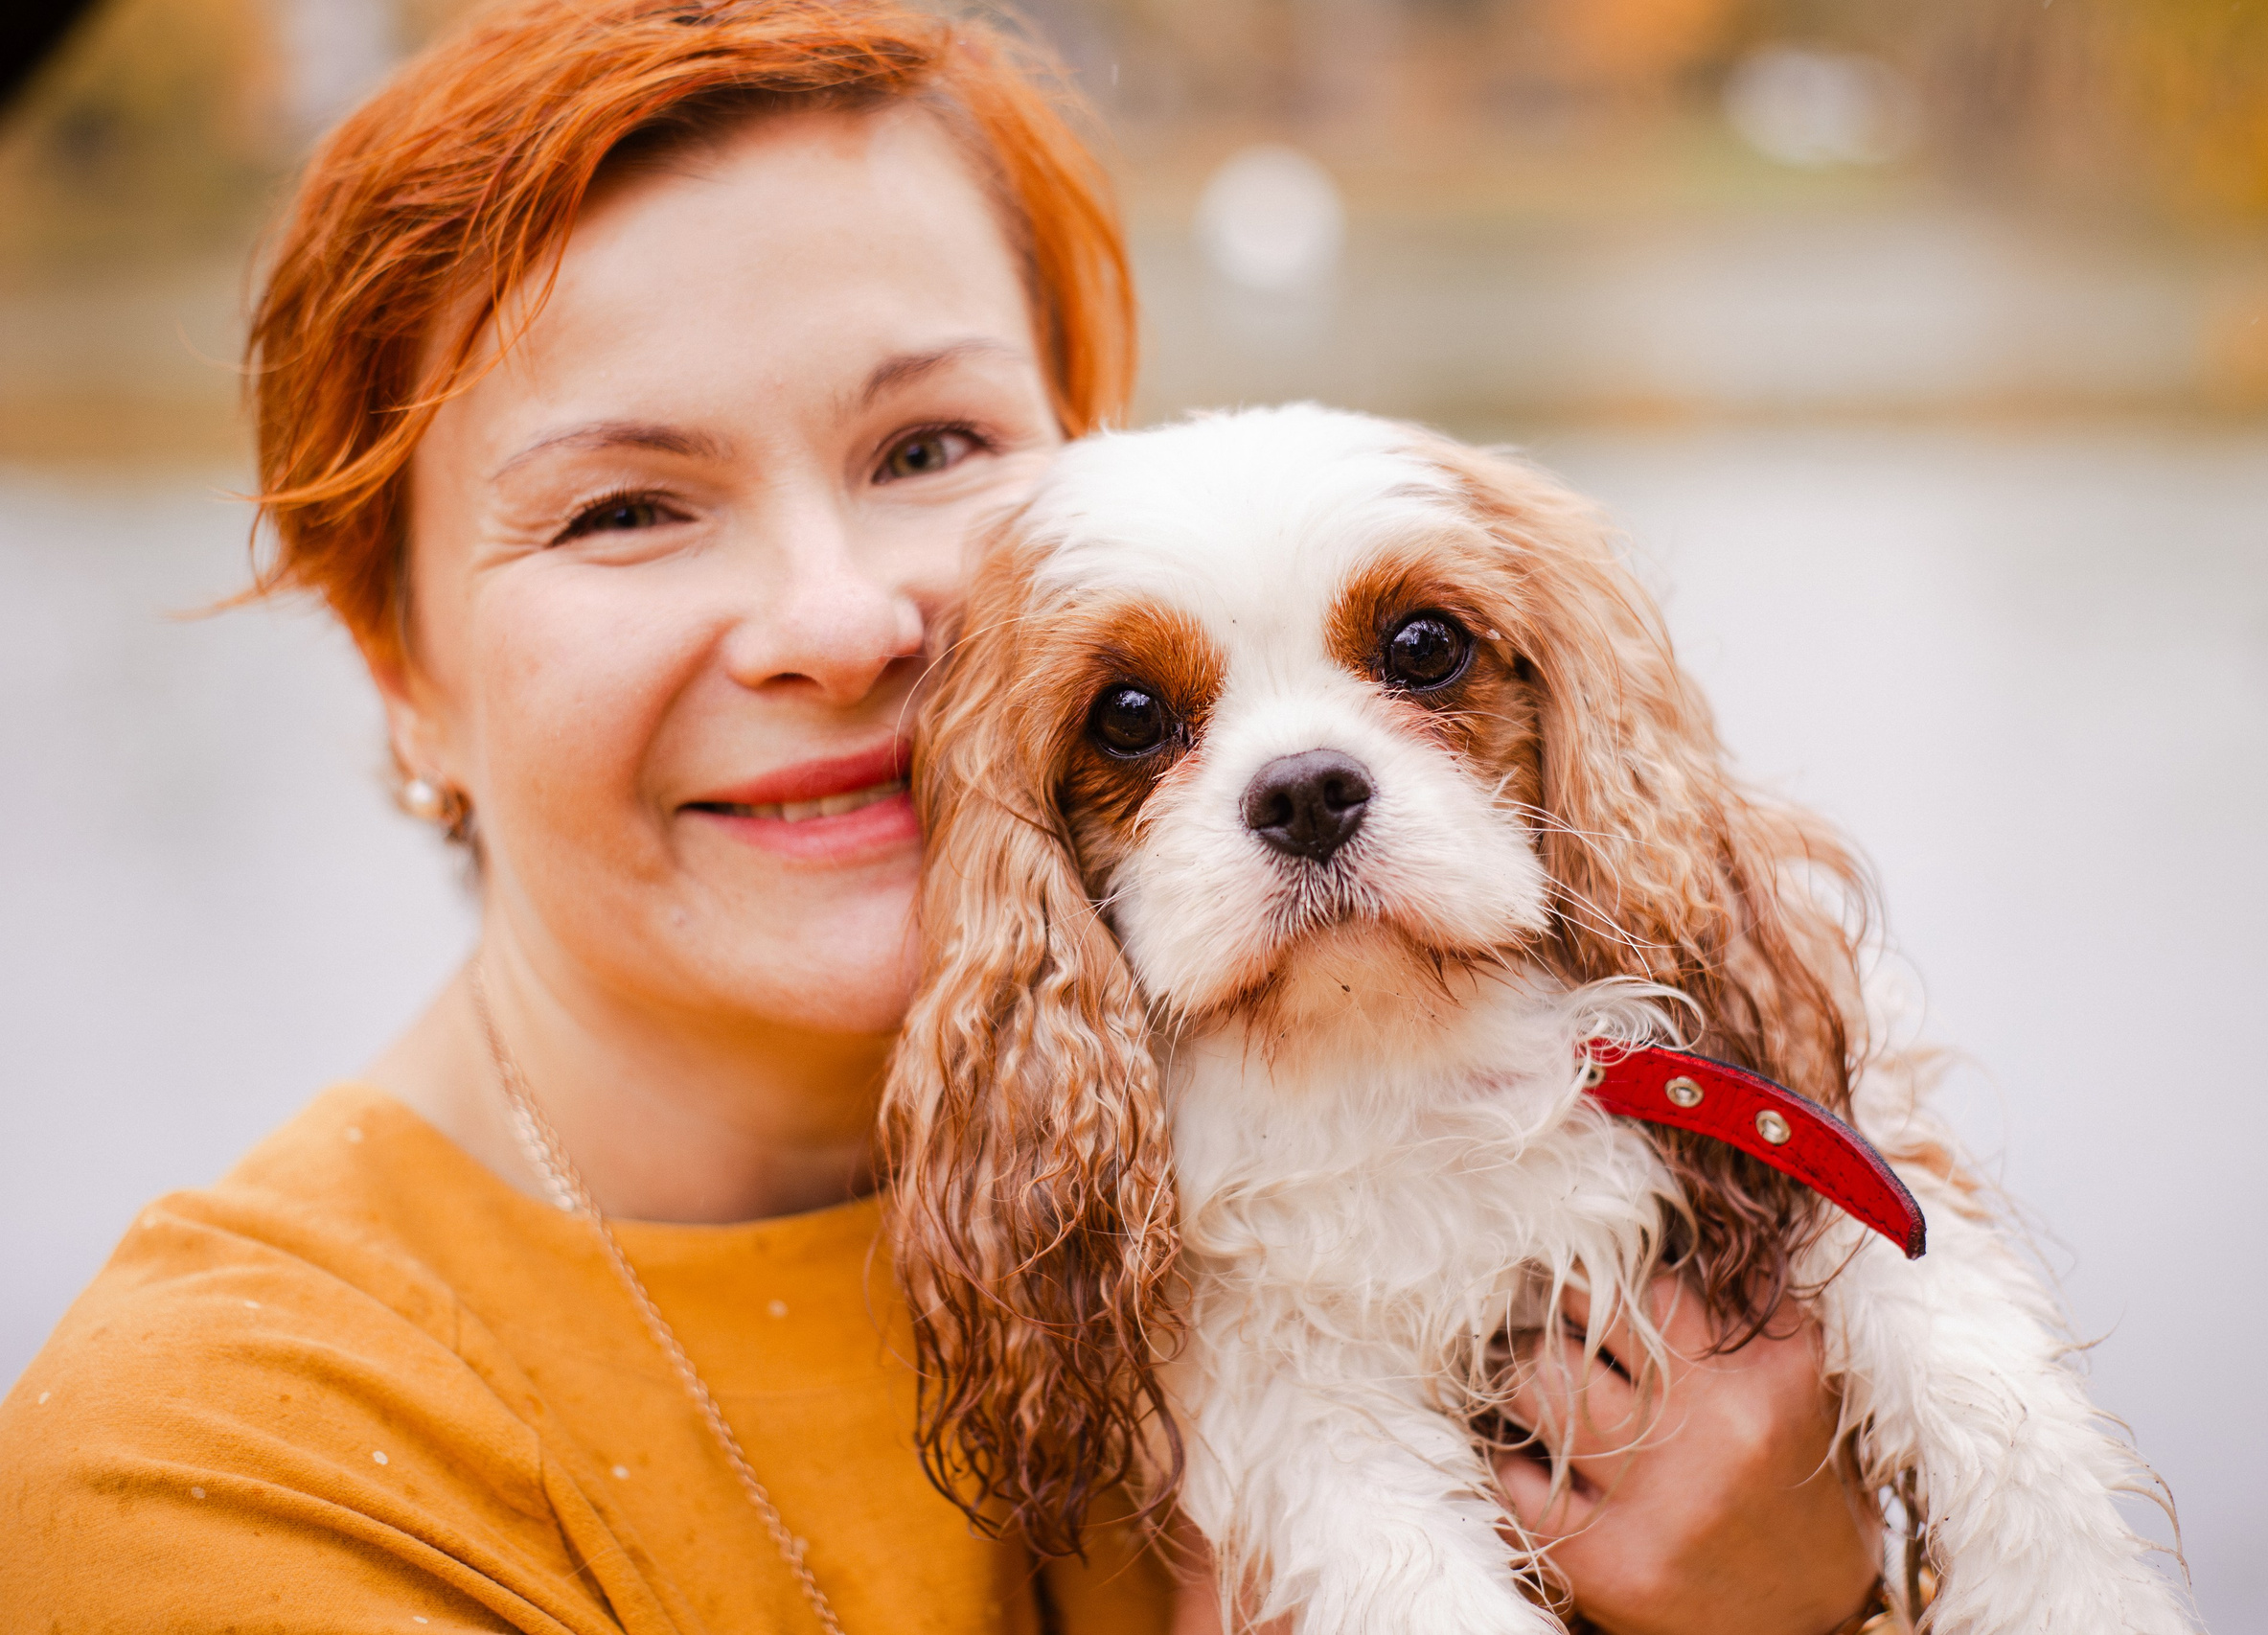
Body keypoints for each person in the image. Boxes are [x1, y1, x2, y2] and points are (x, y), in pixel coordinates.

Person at [0, 2, 1887, 1630]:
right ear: (397, 660)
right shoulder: (221, 1460)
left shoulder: (1465, 1089)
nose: (839, 625)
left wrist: (1817, 1595)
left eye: (929, 450)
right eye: (623, 509)